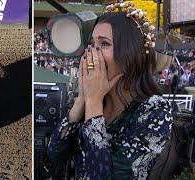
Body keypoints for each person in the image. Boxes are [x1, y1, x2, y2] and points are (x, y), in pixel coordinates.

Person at [47, 2, 173, 179]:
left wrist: (93, 103)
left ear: (130, 54)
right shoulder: (88, 100)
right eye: (92, 44)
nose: (92, 53)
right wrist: (82, 98)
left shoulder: (155, 110)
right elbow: (54, 153)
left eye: (104, 44)